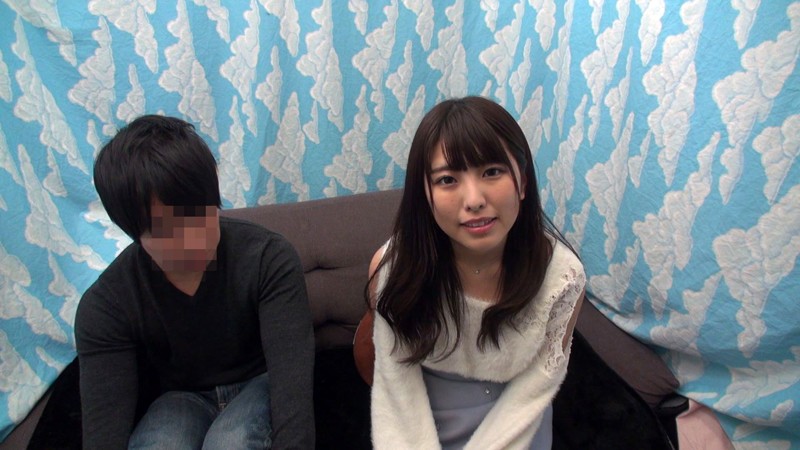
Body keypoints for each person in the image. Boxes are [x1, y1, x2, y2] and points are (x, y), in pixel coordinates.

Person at [75, 115, 315, 449]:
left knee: (230, 442)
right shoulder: (107, 304)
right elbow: (105, 428)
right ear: (134, 232)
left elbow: (292, 386)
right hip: (179, 398)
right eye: (168, 231)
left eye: (200, 213)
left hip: (259, 383)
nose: (194, 240)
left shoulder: (267, 257)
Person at [365, 96, 586, 449]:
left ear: (523, 182)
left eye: (492, 172)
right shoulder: (392, 268)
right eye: (447, 179)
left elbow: (536, 385)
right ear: (425, 195)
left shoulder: (563, 276)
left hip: (517, 430)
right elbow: (396, 385)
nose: (474, 200)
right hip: (424, 427)